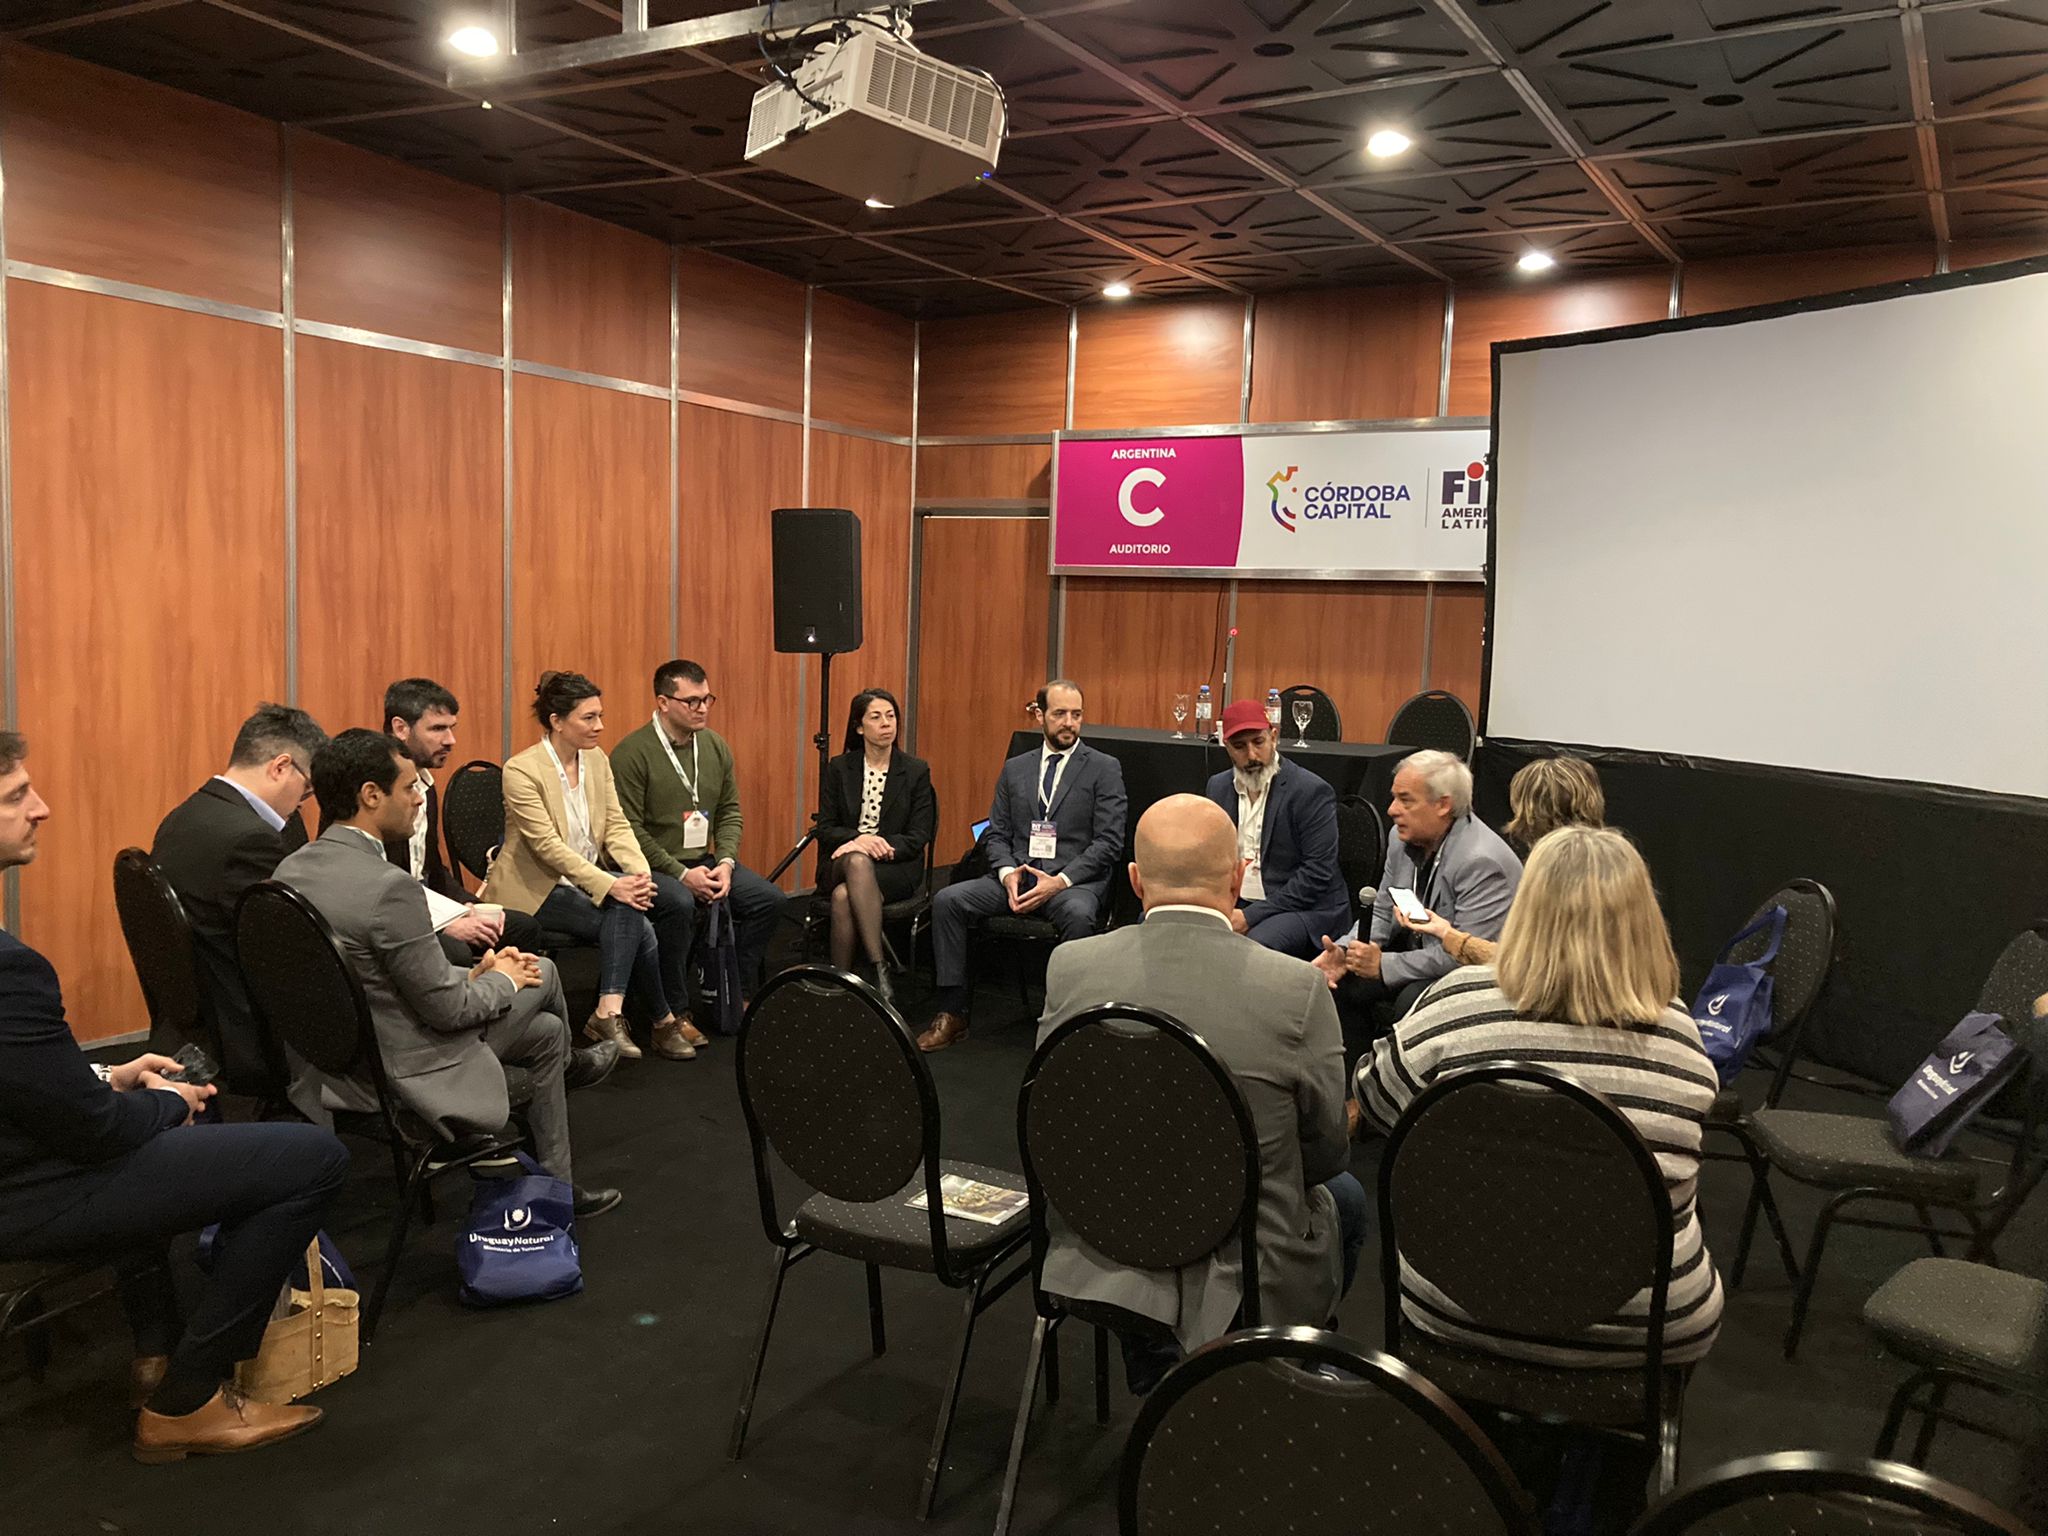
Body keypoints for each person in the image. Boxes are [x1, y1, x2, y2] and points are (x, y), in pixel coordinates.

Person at [0, 730, 351, 1462]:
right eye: (15, 797)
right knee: (311, 1157)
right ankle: (186, 1400)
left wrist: (109, 1075)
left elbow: (37, 1086)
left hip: (32, 1155)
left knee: (144, 1126)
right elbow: (96, 1134)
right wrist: (169, 1102)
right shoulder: (11, 969)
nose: (43, 808)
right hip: (29, 1190)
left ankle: (154, 1353)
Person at [1355, 825, 1724, 1369]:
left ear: (1525, 910)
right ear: (1645, 921)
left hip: (1454, 1306)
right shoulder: (1680, 1039)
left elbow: (1377, 1100)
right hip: (1645, 1332)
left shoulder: (1456, 1004)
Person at [1038, 794, 1364, 1391]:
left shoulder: (1069, 966)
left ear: (1135, 881)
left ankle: (1152, 1339)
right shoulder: (1295, 988)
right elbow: (1325, 1154)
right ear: (1240, 878)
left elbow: (1052, 1119)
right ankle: (1284, 1380)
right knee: (1345, 1196)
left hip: (1104, 1227)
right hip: (1241, 1255)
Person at [278, 730, 620, 1217]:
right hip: (399, 1074)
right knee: (540, 971)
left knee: (543, 1030)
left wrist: (477, 975)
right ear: (370, 796)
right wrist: (500, 979)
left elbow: (376, 980)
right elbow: (448, 1010)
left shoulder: (290, 870)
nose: (419, 799)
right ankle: (561, 1151)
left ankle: (557, 1182)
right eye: (409, 789)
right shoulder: (388, 888)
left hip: (328, 1062)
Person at [482, 672, 700, 1062]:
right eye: (588, 718)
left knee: (645, 902)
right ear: (556, 721)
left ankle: (611, 1013)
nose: (599, 726)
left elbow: (616, 824)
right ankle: (660, 1019)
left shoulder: (596, 760)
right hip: (537, 888)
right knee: (638, 920)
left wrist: (637, 873)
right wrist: (612, 886)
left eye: (600, 715)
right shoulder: (521, 770)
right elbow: (547, 848)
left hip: (587, 879)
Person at [919, 679, 1127, 1053]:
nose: (1069, 723)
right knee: (948, 901)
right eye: (1060, 714)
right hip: (1017, 876)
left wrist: (1060, 881)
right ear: (1039, 715)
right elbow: (995, 833)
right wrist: (1006, 873)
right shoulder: (1016, 769)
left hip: (1072, 882)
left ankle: (1070, 1022)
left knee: (1080, 917)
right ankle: (952, 1012)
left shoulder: (1103, 768)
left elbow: (1109, 843)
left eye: (1076, 715)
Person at [151, 703, 328, 1098]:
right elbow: (290, 952)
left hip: (188, 1020)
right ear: (281, 767)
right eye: (307, 789)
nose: (304, 802)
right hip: (242, 1031)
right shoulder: (251, 839)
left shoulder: (183, 816)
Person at [1312, 748, 1521, 1061]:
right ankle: (1353, 1091)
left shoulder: (1482, 862)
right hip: (1421, 955)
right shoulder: (1402, 839)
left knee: (1411, 999)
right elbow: (1383, 910)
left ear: (1443, 805)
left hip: (1477, 975)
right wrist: (1345, 952)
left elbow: (1467, 957)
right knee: (1343, 985)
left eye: (1405, 800)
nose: (1392, 810)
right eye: (1394, 798)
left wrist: (1383, 965)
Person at [611, 659, 786, 1005]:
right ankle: (675, 1009)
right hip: (653, 867)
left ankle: (734, 990)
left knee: (769, 900)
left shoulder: (714, 746)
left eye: (707, 699)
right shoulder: (631, 753)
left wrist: (726, 862)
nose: (703, 708)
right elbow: (628, 830)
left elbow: (730, 811)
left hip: (704, 861)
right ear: (663, 702)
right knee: (679, 902)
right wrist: (680, 873)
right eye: (692, 701)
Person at [381, 677, 544, 965]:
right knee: (455, 949)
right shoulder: (379, 792)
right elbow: (382, 885)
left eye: (451, 728)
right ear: (400, 728)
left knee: (519, 926)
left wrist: (471, 906)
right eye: (437, 729)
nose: (450, 740)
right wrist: (445, 921)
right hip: (395, 919)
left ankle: (500, 1002)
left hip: (427, 904)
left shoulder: (425, 787)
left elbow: (430, 870)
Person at [1396, 754, 1604, 967]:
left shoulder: (1548, 873)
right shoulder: (1616, 860)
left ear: (1528, 812)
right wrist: (1447, 933)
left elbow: (1528, 964)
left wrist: (1450, 936)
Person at [814, 688, 936, 1007]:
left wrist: (878, 846)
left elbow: (919, 834)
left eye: (891, 716)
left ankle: (842, 986)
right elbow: (824, 829)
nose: (886, 724)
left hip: (896, 867)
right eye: (876, 717)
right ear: (859, 727)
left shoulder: (915, 770)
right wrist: (857, 840)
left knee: (843, 896)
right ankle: (880, 969)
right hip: (842, 862)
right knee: (856, 862)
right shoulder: (840, 768)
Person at [1202, 698, 1348, 959]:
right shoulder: (1218, 787)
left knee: (1252, 950)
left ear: (1273, 737)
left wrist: (1250, 915)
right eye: (1240, 746)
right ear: (1226, 747)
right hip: (1241, 899)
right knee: (1166, 924)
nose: (1252, 755)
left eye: (1258, 742)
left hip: (1303, 908)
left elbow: (1316, 874)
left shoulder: (1309, 791)